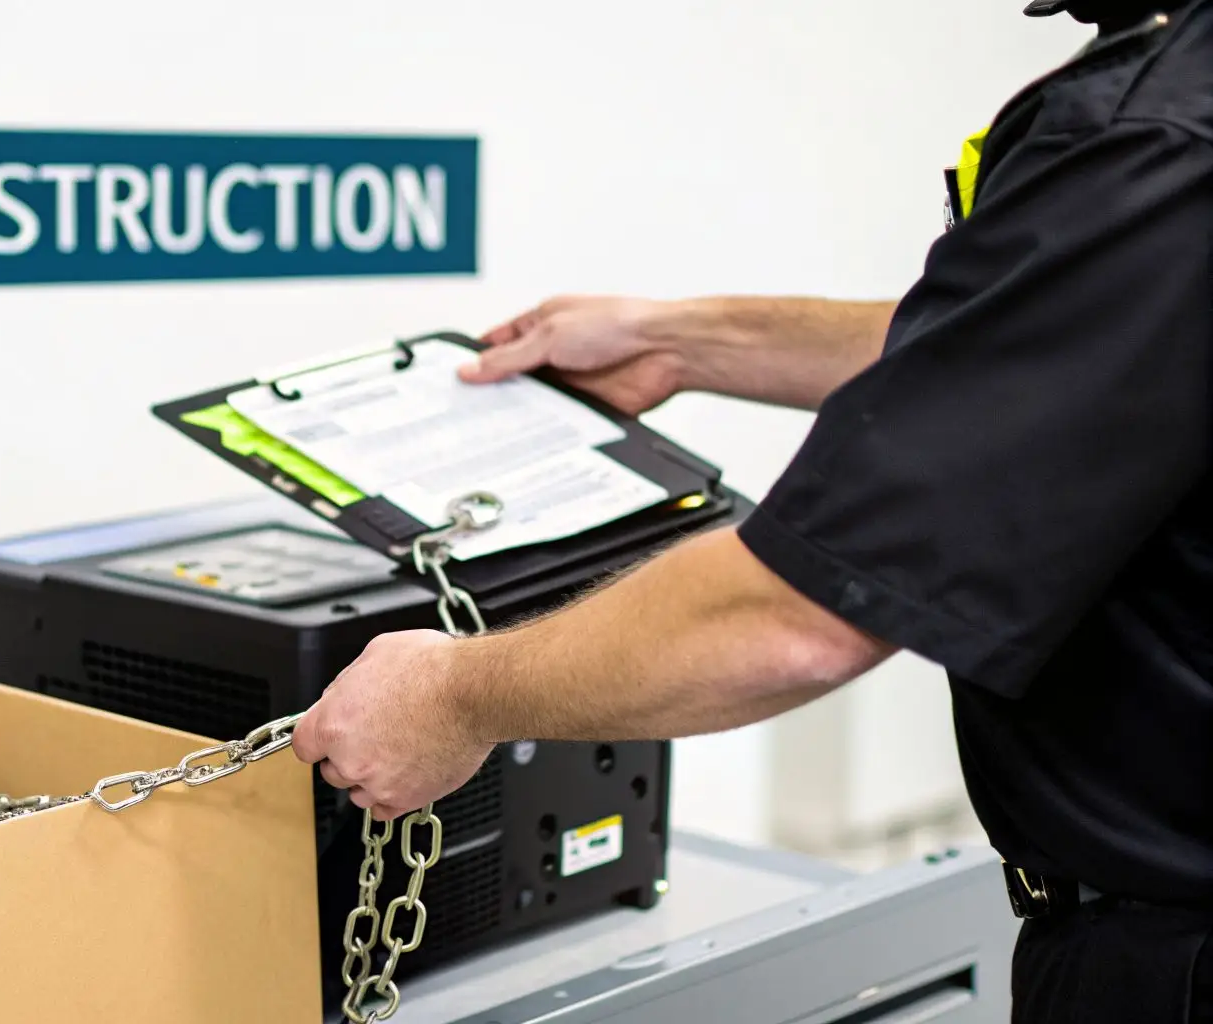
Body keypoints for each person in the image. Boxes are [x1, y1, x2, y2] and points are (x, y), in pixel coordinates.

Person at [290, 1, 1213, 1020]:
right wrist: (683, 341)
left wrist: (451, 696)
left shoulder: (1158, 134)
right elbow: (1027, 349)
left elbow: (790, 622)